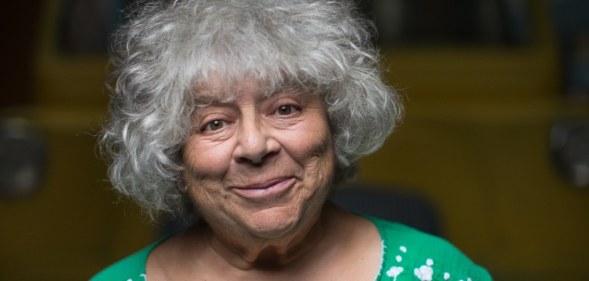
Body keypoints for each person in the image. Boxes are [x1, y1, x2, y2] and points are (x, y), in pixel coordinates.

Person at [91, 0, 493, 280]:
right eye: (214, 123)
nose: (254, 146)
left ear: (336, 124)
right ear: (175, 159)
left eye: (285, 108)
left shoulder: (438, 272)